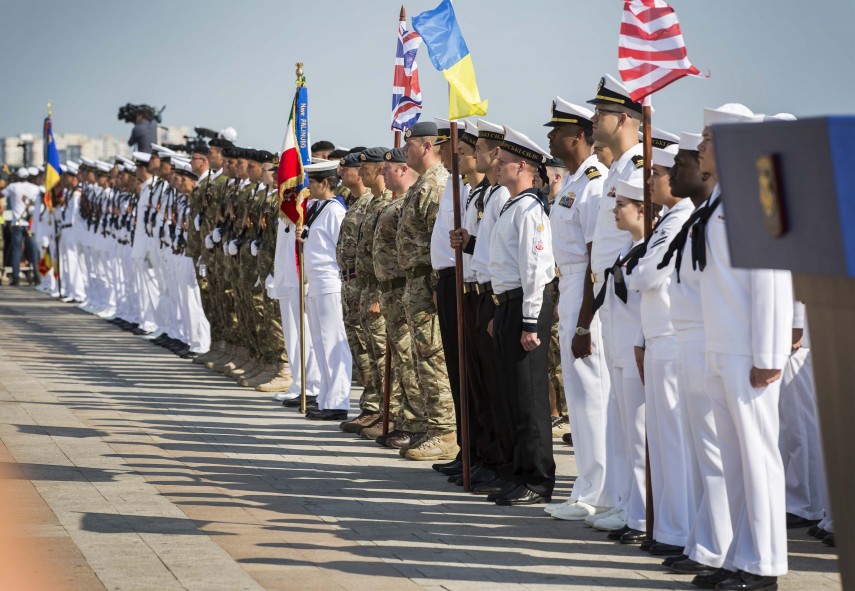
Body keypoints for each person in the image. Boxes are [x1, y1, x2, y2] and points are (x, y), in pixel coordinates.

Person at [693, 103, 792, 591]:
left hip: (748, 351)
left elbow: (772, 278)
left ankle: (764, 565)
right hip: (721, 344)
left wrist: (769, 354)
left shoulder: (756, 194)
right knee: (734, 460)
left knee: (757, 458)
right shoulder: (720, 197)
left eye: (708, 137)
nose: (699, 145)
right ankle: (737, 556)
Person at [624, 131, 696, 556]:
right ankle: (668, 527)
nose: (649, 181)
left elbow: (648, 277)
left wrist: (637, 274)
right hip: (656, 335)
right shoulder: (669, 219)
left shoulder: (681, 218)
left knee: (673, 442)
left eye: (657, 174)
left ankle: (678, 530)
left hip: (671, 338)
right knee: (662, 442)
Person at [539, 98, 611, 521]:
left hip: (587, 296)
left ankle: (598, 492)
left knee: (592, 396)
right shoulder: (572, 182)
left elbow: (594, 257)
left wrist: (585, 321)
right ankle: (585, 484)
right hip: (569, 290)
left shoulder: (594, 183)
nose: (550, 137)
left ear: (578, 136)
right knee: (579, 397)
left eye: (557, 131)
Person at [586, 74, 645, 534]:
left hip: (631, 297)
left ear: (623, 118)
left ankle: (639, 508)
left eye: (601, 112)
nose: (594, 119)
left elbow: (639, 240)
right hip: (611, 296)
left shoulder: (639, 168)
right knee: (620, 407)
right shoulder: (617, 170)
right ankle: (624, 499)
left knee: (634, 408)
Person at [487, 126, 555, 506]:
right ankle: (518, 472)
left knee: (529, 398)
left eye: (504, 162)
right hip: (508, 303)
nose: (496, 166)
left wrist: (529, 321)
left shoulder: (530, 210)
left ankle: (539, 479)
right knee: (512, 395)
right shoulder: (511, 206)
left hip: (526, 305)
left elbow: (535, 270)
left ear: (524, 166)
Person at [397, 121, 457, 460]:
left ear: (427, 146)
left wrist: (436, 286)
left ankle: (445, 433)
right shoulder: (423, 184)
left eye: (410, 145)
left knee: (433, 357)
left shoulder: (435, 185)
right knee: (422, 357)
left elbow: (441, 242)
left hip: (427, 282)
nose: (405, 151)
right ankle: (432, 426)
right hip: (415, 283)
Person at [300, 160, 352, 421]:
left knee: (333, 342)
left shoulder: (334, 211)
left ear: (325, 183)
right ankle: (325, 397)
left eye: (312, 182)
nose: (308, 187)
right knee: (320, 342)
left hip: (330, 283)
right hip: (315, 283)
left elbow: (341, 250)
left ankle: (338, 401)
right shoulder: (315, 208)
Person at [1, 168, 40, 285]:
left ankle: (16, 277)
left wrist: (9, 180)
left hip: (17, 222)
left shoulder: (13, 186)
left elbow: (2, 194)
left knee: (16, 250)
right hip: (29, 223)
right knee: (33, 251)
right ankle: (37, 276)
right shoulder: (35, 188)